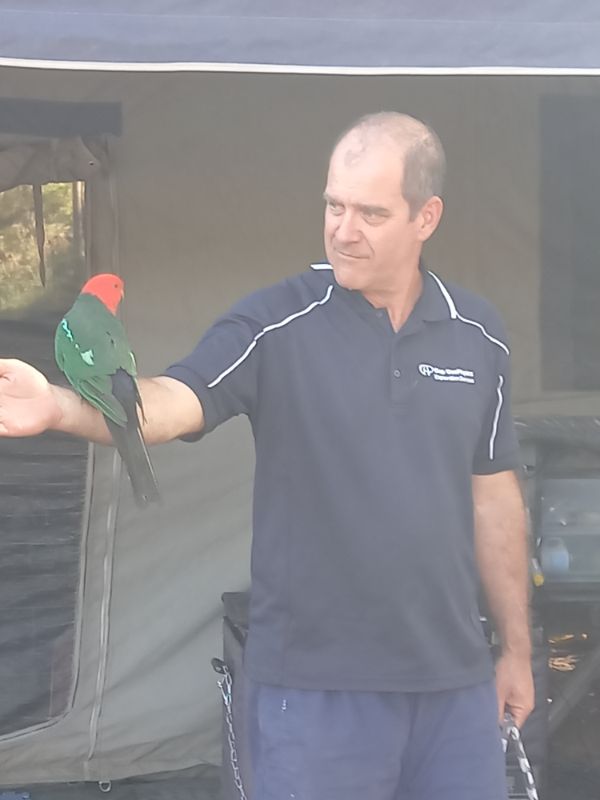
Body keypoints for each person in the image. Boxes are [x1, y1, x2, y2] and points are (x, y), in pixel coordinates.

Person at [0, 112, 533, 800]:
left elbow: (494, 495)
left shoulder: (478, 335)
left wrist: (516, 651)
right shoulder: (275, 323)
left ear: (426, 217)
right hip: (315, 694)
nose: (344, 229)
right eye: (333, 206)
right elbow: (171, 402)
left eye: (371, 212)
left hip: (453, 686)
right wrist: (63, 408)